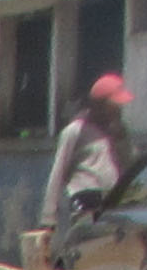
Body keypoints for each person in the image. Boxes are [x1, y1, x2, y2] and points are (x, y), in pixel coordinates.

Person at [43, 71, 134, 238]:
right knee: (88, 243)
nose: (117, 111)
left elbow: (129, 165)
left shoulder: (119, 130)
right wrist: (48, 217)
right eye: (113, 106)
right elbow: (58, 173)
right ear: (98, 105)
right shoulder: (75, 131)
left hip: (113, 197)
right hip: (86, 197)